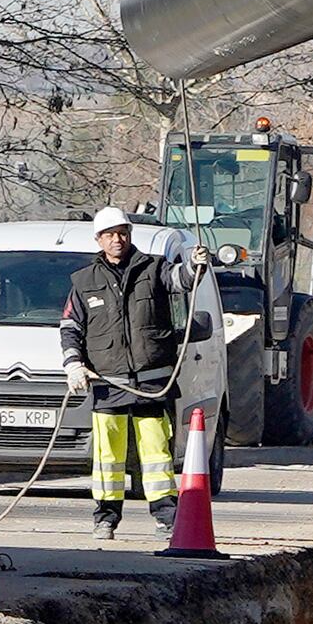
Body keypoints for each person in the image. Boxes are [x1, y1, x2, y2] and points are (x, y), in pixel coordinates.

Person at [58, 203, 189, 538]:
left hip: (150, 381)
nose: (117, 240)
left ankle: (166, 516)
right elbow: (71, 326)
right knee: (107, 456)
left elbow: (180, 280)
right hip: (107, 381)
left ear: (129, 235)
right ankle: (105, 517)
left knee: (156, 451)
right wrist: (73, 362)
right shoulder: (84, 281)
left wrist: (195, 266)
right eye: (110, 235)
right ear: (98, 240)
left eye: (122, 233)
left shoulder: (154, 268)